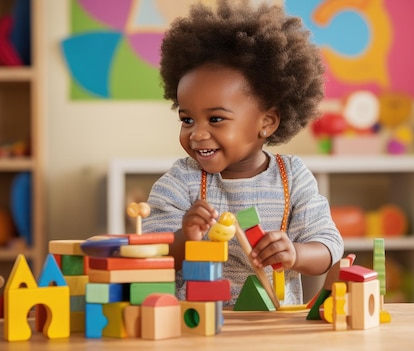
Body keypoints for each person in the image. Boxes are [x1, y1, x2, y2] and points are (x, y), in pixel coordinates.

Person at [143, 0, 344, 306]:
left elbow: (329, 247)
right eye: (187, 119)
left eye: (216, 119)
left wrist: (296, 253)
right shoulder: (180, 181)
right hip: (199, 325)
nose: (196, 133)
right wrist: (186, 238)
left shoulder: (293, 178)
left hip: (272, 330)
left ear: (267, 122)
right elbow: (150, 250)